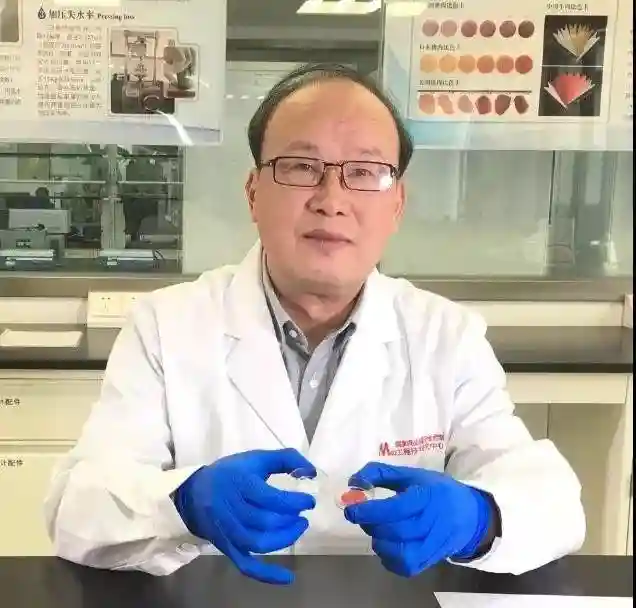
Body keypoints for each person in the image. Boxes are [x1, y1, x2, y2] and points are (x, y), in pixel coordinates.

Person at [44, 63, 585, 585]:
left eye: (365, 173)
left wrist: (479, 519)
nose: (332, 201)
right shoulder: (166, 326)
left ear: (397, 205)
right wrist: (181, 503)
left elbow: (553, 505)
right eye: (302, 167)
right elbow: (76, 508)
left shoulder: (447, 335)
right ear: (254, 193)